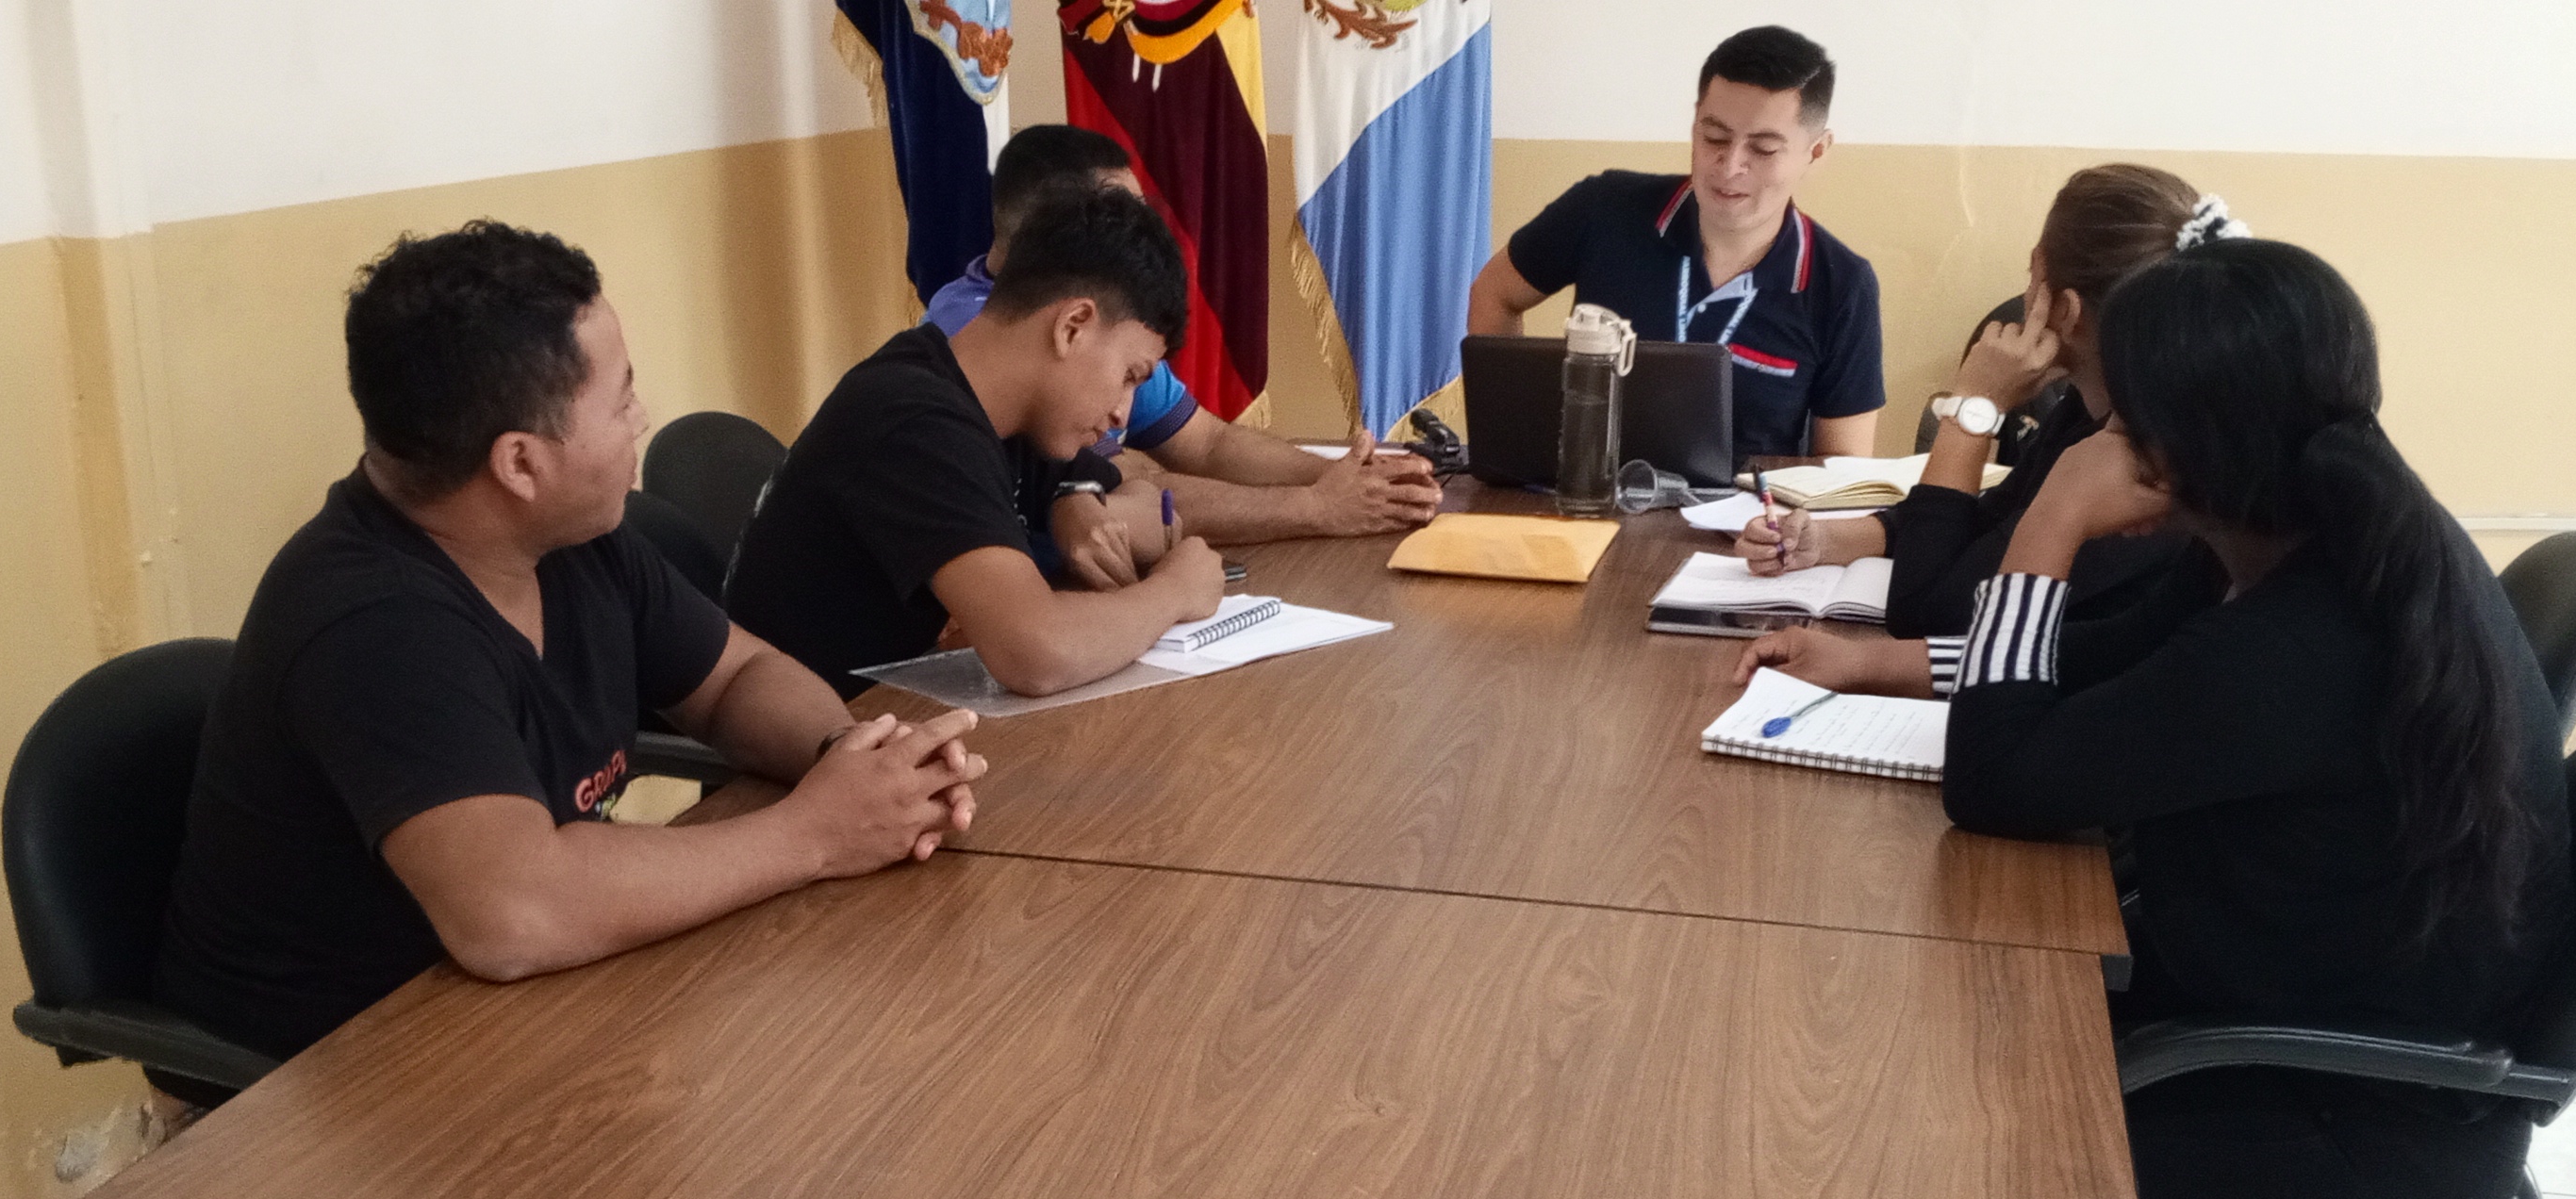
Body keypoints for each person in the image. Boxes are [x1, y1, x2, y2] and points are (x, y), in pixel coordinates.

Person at [1744, 237, 2575, 1199]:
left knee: (1867, 1121)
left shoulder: (2301, 642)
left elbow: (1995, 783)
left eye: (2116, 423)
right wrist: (1878, 663)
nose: (2096, 444)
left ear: (2178, 450)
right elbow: (2110, 666)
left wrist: (2050, 522)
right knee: (1884, 1013)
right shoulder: (2310, 533)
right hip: (2280, 1031)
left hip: (2327, 1133)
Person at [154, 222, 988, 1062]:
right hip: (334, 1073)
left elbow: (738, 674)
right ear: (520, 464)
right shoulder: (372, 623)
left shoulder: (572, 541)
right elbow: (514, 913)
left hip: (530, 1007)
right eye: (620, 400)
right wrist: (814, 834)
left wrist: (850, 758)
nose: (641, 419)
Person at [729, 188, 1230, 698]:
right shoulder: (914, 418)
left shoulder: (1011, 413)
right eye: (1129, 375)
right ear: (1073, 326)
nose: (1123, 411)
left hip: (900, 710)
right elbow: (1036, 654)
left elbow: (1147, 505)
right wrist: (1174, 592)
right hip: (821, 735)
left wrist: (1074, 499)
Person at [1732, 165, 2216, 636]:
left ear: (2065, 311)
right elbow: (1985, 523)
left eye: (2033, 273)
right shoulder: (2096, 410)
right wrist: (1827, 540)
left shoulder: (2142, 469)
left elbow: (1923, 613)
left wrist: (1973, 407)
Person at [927, 125, 1441, 544]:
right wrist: (1316, 508)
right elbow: (1121, 489)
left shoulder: (1106, 322)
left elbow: (1207, 443)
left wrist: (1348, 478)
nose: (1145, 237)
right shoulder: (989, 336)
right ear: (1060, 233)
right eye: (1121, 219)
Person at [1467, 25, 1884, 460]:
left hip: (1742, 503)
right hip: (1587, 488)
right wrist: (1509, 442)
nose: (1730, 166)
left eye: (1763, 149)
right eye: (1714, 137)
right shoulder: (1604, 208)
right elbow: (1495, 292)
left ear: (1816, 151)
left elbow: (1842, 469)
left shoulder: (1841, 284)